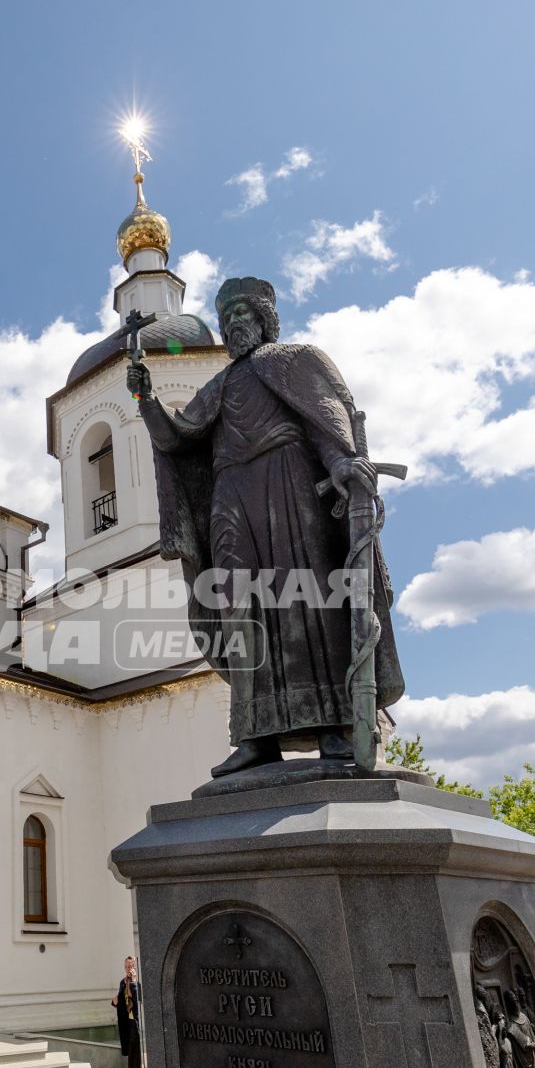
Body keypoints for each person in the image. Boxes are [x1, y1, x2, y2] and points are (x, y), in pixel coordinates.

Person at [131, 276, 405, 778]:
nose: (235, 323)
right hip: (231, 501)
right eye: (227, 316)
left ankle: (335, 727)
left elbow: (328, 422)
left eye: (244, 314)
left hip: (290, 487)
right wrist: (147, 402)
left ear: (265, 319)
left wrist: (342, 463)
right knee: (241, 611)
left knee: (309, 605)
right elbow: (177, 438)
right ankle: (257, 736)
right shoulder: (218, 386)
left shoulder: (294, 360)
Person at [112, 955, 144, 1068]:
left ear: (135, 968)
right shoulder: (122, 982)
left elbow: (138, 1000)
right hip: (129, 1028)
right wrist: (115, 1002)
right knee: (136, 1066)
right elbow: (121, 1003)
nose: (128, 969)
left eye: (131, 967)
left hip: (139, 1030)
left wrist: (134, 983)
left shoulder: (137, 984)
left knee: (141, 1064)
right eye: (126, 967)